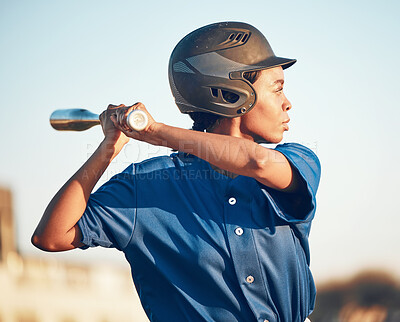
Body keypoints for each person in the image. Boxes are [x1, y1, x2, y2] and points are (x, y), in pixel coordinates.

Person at [32, 21, 321, 322]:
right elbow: (51, 236)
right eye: (277, 90)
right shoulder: (143, 186)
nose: (288, 104)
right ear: (231, 94)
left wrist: (154, 132)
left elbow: (257, 162)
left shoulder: (298, 162)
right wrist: (109, 147)